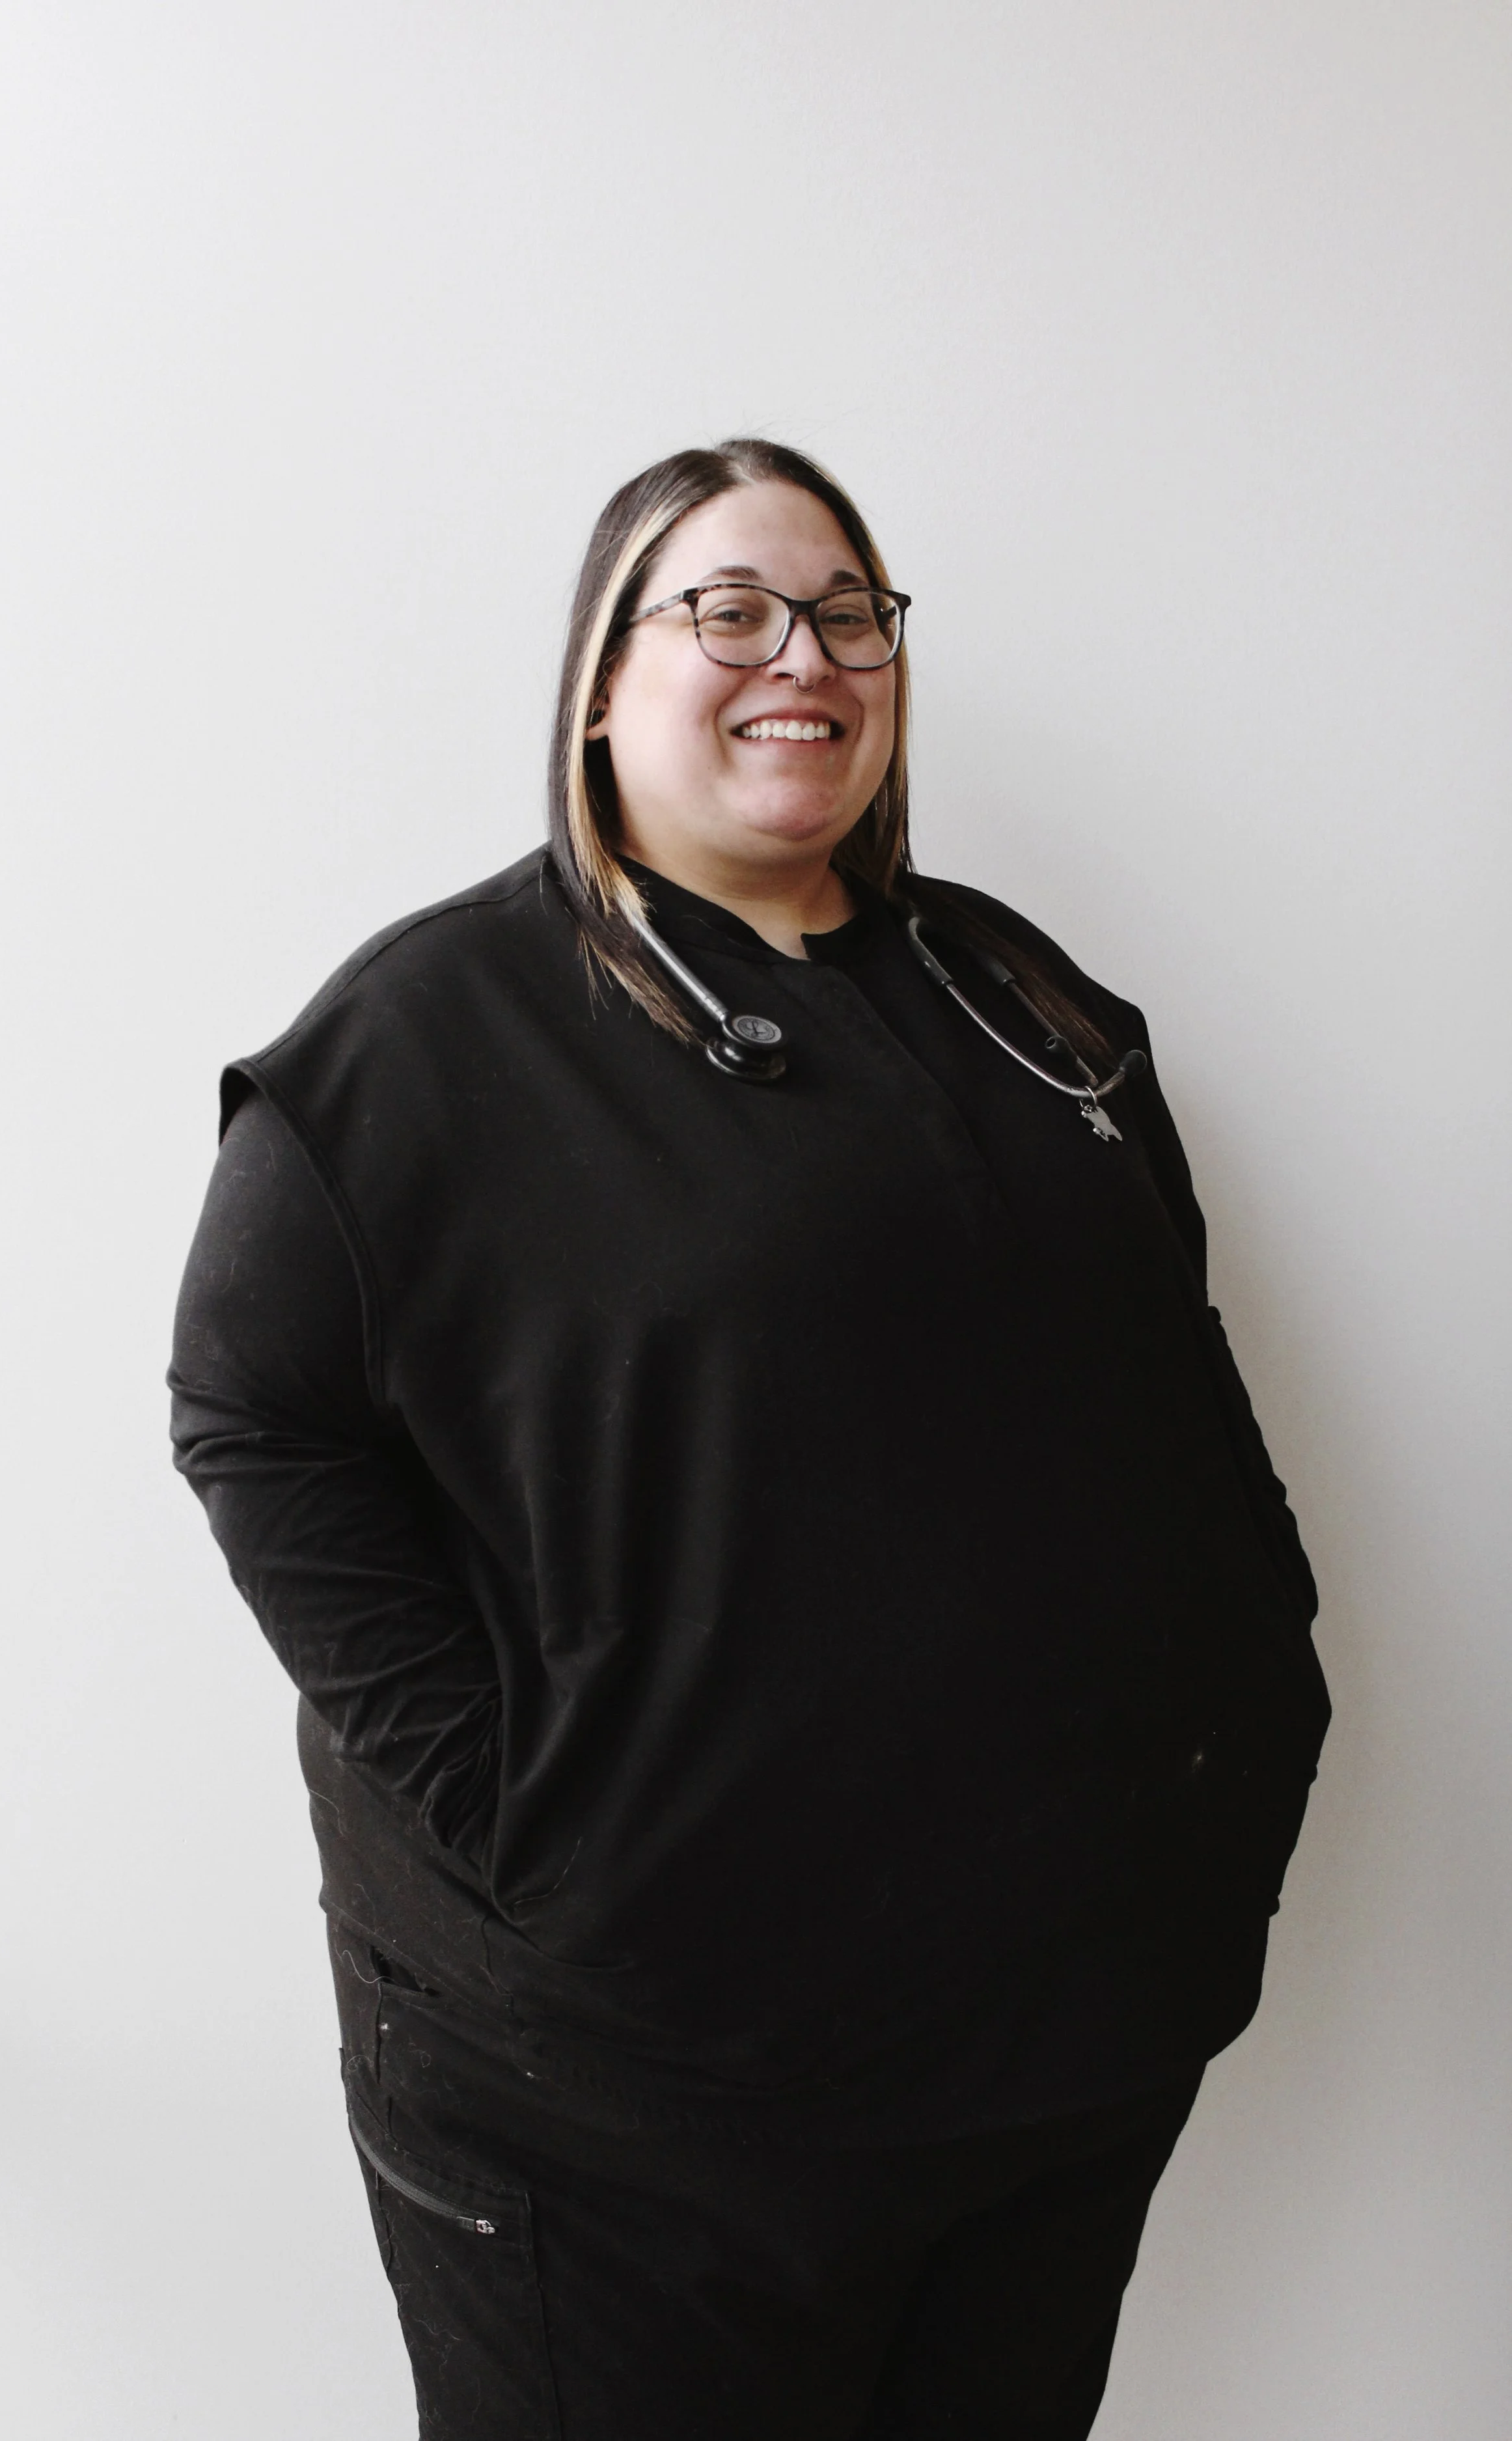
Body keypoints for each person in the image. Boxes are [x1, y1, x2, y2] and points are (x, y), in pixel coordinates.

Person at [169, 437, 1329, 2440]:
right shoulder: (434, 1034)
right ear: (597, 682)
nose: (802, 653)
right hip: (634, 2104)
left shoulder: (1012, 990)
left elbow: (1166, 1342)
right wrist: (517, 1808)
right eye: (728, 608)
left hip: (1057, 2048)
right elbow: (253, 1415)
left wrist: (1261, 1668)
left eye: (848, 613)